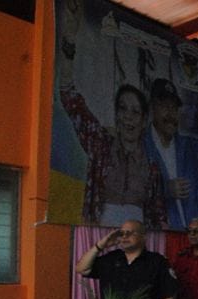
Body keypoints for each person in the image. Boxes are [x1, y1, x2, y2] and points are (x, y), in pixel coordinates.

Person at [57, 0, 166, 228]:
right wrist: (69, 36)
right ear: (116, 114)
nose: (128, 117)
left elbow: (159, 219)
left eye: (136, 112)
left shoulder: (152, 164)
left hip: (136, 251)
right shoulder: (100, 145)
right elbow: (68, 94)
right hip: (100, 242)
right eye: (123, 109)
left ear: (144, 120)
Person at [143, 78, 198, 229]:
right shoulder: (140, 145)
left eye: (174, 108)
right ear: (152, 108)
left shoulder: (191, 147)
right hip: (157, 237)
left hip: (189, 238)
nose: (171, 114)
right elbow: (129, 192)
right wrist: (164, 190)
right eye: (164, 106)